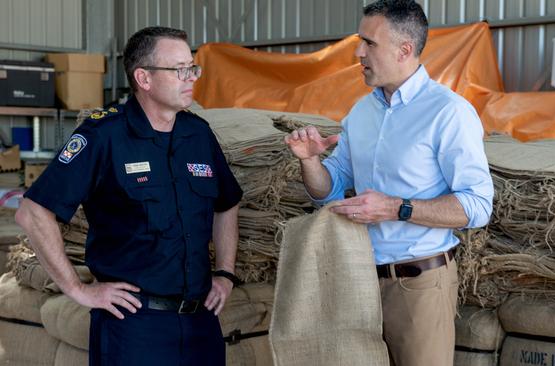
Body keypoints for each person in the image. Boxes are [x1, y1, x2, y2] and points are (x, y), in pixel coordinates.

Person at [15, 26, 242, 365]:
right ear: (144, 78)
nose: (191, 77)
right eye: (179, 69)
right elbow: (32, 212)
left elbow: (227, 203)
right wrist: (78, 290)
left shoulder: (198, 134)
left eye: (192, 67)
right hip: (135, 326)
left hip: (200, 324)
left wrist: (224, 273)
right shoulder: (104, 135)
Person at [284, 1, 493, 365]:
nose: (358, 52)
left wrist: (396, 207)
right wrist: (310, 161)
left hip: (420, 287)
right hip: (358, 282)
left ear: (405, 49)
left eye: (369, 43)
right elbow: (328, 190)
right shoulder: (360, 113)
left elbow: (477, 206)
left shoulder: (449, 113)